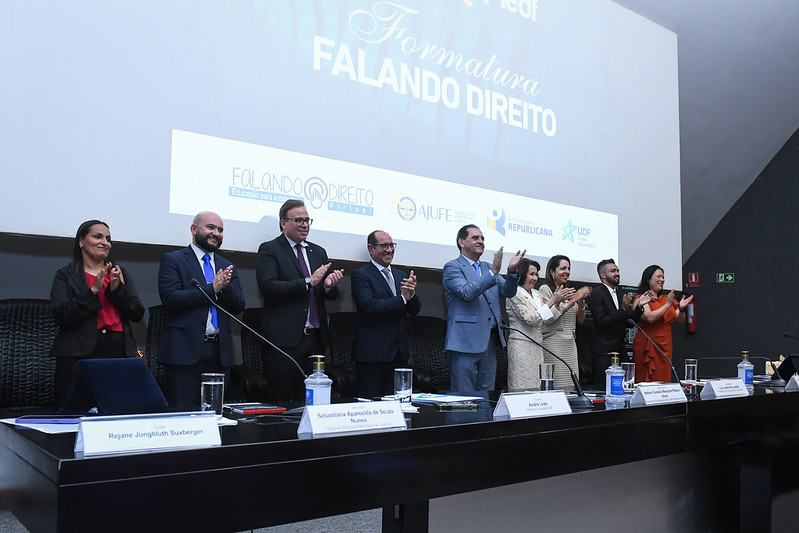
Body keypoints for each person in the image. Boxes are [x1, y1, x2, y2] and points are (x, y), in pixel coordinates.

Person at [49, 220, 145, 408]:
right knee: (73, 416)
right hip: (78, 355)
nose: (105, 242)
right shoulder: (65, 275)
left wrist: (117, 290)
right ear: (81, 241)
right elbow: (61, 317)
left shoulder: (119, 273)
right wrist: (92, 291)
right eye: (97, 236)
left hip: (117, 354)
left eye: (108, 239)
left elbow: (137, 314)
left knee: (115, 413)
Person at [256, 199, 344, 401]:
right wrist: (307, 281)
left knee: (312, 400)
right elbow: (268, 287)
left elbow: (325, 293)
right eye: (299, 220)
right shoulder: (270, 249)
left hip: (315, 339)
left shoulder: (318, 251)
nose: (305, 225)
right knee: (280, 400)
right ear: (283, 223)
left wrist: (329, 286)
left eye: (307, 220)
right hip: (284, 341)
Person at [158, 211, 245, 408]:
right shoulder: (174, 260)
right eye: (211, 227)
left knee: (215, 416)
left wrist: (226, 288)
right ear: (194, 229)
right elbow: (170, 298)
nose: (216, 233)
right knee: (182, 416)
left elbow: (239, 305)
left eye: (220, 230)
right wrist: (211, 289)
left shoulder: (227, 265)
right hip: (184, 352)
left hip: (219, 353)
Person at [443, 224, 524, 393]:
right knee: (465, 398)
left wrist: (511, 271)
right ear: (461, 242)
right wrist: (494, 271)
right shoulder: (452, 267)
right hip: (464, 342)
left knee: (487, 396)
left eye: (482, 238)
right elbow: (467, 293)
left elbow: (508, 291)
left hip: (489, 341)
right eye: (475, 238)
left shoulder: (487, 268)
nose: (480, 241)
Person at [351, 231, 422, 398]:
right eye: (384, 246)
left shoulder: (400, 275)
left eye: (391, 245)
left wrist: (410, 295)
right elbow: (369, 306)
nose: (389, 250)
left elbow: (415, 310)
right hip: (373, 356)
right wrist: (402, 299)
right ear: (371, 248)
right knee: (371, 407)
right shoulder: (361, 275)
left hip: (399, 355)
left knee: (397, 406)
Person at [505, 258, 570, 390]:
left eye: (536, 274)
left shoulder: (536, 293)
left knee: (536, 387)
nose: (535, 278)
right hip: (521, 347)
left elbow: (546, 319)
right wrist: (552, 301)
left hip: (537, 346)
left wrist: (557, 302)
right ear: (522, 274)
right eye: (531, 274)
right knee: (521, 386)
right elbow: (530, 319)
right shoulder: (514, 293)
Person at [586, 258, 651, 388]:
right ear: (603, 275)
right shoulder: (597, 294)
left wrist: (639, 307)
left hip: (620, 351)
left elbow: (629, 322)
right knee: (604, 391)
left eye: (618, 271)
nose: (617, 273)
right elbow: (601, 322)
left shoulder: (621, 294)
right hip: (604, 353)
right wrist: (623, 309)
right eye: (613, 271)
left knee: (623, 390)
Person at [539, 255, 592, 391]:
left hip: (570, 344)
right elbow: (549, 318)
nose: (567, 271)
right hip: (553, 343)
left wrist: (580, 301)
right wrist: (573, 300)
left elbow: (580, 319)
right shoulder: (545, 289)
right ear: (552, 272)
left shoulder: (569, 291)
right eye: (563, 268)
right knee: (557, 385)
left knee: (571, 385)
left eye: (569, 268)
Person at [632, 265, 693, 382]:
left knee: (664, 379)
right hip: (646, 343)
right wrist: (667, 305)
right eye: (658, 276)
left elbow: (679, 320)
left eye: (663, 277)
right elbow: (649, 318)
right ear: (648, 279)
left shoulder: (667, 299)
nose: (662, 280)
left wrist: (680, 309)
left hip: (665, 344)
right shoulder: (641, 299)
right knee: (645, 379)